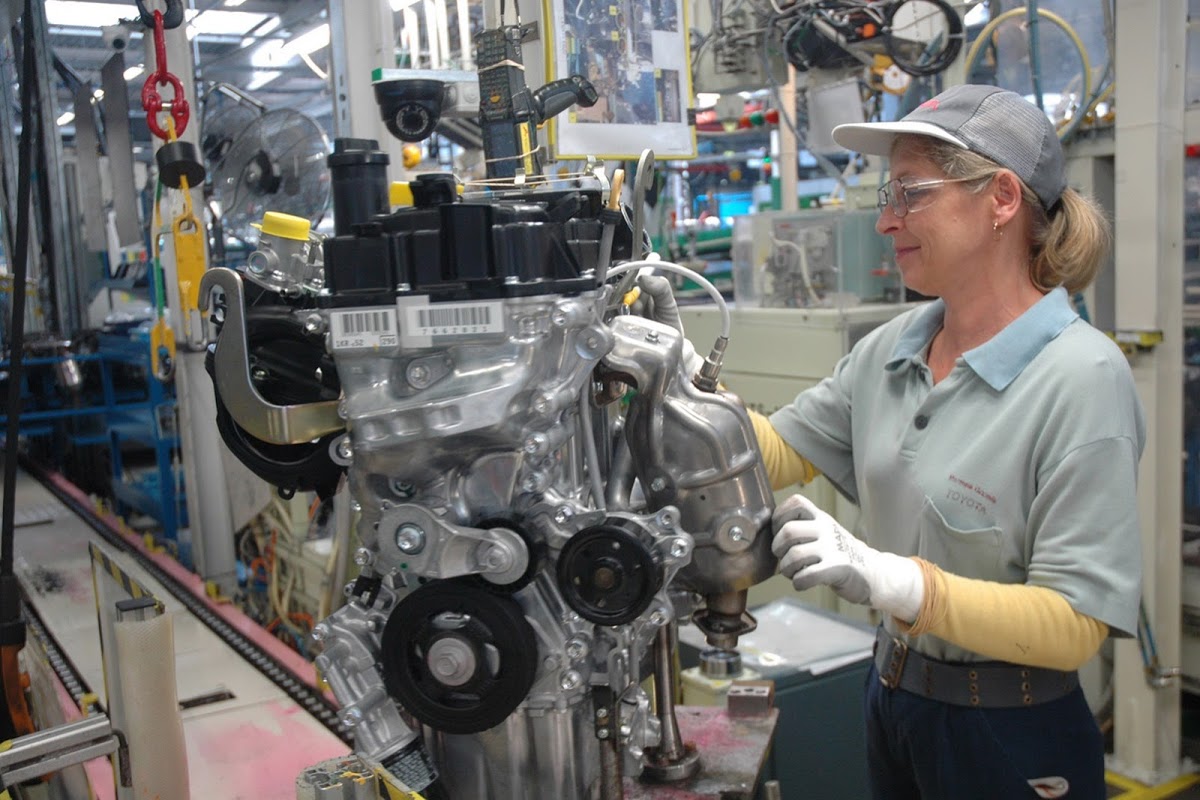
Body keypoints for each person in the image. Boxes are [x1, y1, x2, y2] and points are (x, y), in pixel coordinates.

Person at [749, 84, 1145, 799]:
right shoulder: (895, 347)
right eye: (888, 195)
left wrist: (895, 583)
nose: (886, 220)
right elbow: (778, 451)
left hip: (1011, 730)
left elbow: (1074, 623)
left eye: (911, 193)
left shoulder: (1081, 376)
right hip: (892, 696)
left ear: (1002, 199)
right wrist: (666, 382)